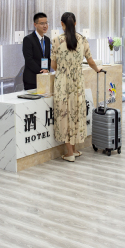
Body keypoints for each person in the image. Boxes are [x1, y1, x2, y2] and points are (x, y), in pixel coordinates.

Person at [50, 12, 101, 162]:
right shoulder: (83, 40)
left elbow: (53, 65)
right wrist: (97, 69)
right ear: (76, 23)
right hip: (77, 81)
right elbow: (90, 61)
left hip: (62, 82)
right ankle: (73, 150)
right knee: (76, 113)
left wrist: (63, 69)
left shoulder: (56, 40)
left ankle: (70, 152)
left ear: (62, 24)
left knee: (65, 115)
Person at [22, 13, 51, 90]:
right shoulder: (28, 39)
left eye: (46, 23)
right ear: (35, 24)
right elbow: (29, 59)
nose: (45, 26)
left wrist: (47, 70)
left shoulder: (47, 40)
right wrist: (41, 72)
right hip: (32, 79)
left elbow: (48, 57)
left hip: (44, 78)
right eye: (42, 23)